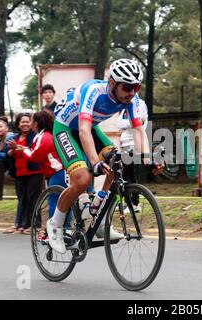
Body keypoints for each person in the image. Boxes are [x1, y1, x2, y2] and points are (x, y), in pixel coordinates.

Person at [48, 58, 162, 254]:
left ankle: (97, 216)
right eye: (127, 87)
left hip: (90, 129)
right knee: (83, 179)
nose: (132, 92)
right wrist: (95, 162)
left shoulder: (132, 100)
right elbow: (83, 130)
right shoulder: (93, 91)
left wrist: (148, 159)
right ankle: (55, 224)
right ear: (112, 84)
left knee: (116, 161)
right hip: (66, 128)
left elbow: (138, 130)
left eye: (136, 87)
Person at [15, 110, 67, 223]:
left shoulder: (44, 137)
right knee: (64, 202)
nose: (30, 124)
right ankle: (65, 229)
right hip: (60, 172)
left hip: (56, 173)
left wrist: (24, 150)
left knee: (54, 202)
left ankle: (54, 230)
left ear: (37, 123)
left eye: (32, 121)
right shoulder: (48, 135)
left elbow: (34, 156)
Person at [7, 113, 44, 234]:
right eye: (22, 122)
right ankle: (24, 224)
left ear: (32, 123)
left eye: (27, 121)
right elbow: (9, 154)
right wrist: (12, 148)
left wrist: (16, 146)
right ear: (18, 124)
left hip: (34, 171)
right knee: (23, 199)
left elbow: (30, 149)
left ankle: (36, 225)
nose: (25, 124)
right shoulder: (16, 137)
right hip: (20, 173)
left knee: (33, 198)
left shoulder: (35, 136)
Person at [116, 98, 148, 212]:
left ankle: (135, 203)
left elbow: (141, 123)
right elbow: (118, 123)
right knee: (125, 175)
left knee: (133, 174)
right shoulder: (124, 106)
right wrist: (129, 124)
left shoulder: (141, 104)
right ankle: (127, 202)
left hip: (135, 143)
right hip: (125, 143)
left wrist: (129, 124)